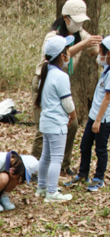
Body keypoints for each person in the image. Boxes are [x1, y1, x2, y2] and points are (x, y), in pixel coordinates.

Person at [31, 0, 102, 175]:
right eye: (75, 20)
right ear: (65, 18)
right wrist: (84, 45)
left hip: (62, 83)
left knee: (72, 124)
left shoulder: (81, 34)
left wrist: (100, 49)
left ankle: (63, 165)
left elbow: (95, 50)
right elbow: (62, 53)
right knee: (44, 128)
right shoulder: (53, 36)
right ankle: (34, 168)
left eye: (81, 21)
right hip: (44, 83)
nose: (79, 24)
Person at [35, 36, 76, 203]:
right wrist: (73, 114)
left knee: (46, 156)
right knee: (57, 158)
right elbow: (67, 101)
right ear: (61, 55)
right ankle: (52, 192)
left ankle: (42, 186)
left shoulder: (46, 74)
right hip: (57, 123)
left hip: (46, 122)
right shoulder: (60, 76)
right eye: (66, 50)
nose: (69, 53)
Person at [65, 36, 110, 191]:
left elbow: (107, 99)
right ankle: (83, 173)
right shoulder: (106, 69)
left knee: (100, 148)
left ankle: (98, 177)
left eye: (102, 52)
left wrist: (98, 120)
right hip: (93, 116)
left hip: (102, 119)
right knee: (85, 145)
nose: (99, 55)